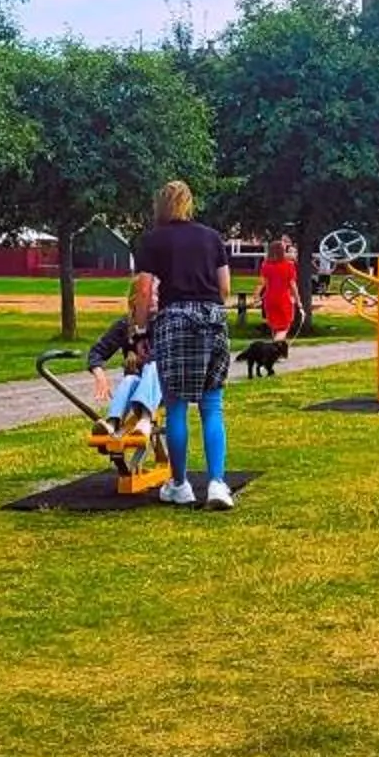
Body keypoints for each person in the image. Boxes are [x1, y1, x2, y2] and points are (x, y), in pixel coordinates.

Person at [134, 179, 235, 509]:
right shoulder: (211, 237)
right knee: (212, 405)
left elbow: (144, 290)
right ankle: (217, 484)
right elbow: (224, 288)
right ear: (189, 204)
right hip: (212, 320)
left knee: (176, 406)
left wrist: (140, 332)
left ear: (160, 205)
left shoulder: (152, 240)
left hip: (175, 320)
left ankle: (180, 484)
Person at [86, 274, 164, 442]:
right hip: (138, 387)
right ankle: (112, 423)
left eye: (157, 294)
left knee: (152, 366)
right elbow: (97, 352)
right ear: (135, 299)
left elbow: (163, 354)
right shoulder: (124, 325)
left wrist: (138, 358)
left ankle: (145, 419)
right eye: (150, 295)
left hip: (161, 388)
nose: (155, 299)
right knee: (129, 379)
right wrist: (100, 374)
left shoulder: (163, 323)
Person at [258, 236, 300, 342]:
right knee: (284, 328)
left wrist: (256, 297)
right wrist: (298, 300)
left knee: (275, 326)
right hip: (283, 298)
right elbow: (292, 285)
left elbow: (262, 283)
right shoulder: (289, 265)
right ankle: (274, 347)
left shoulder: (266, 265)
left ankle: (278, 348)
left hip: (269, 299)